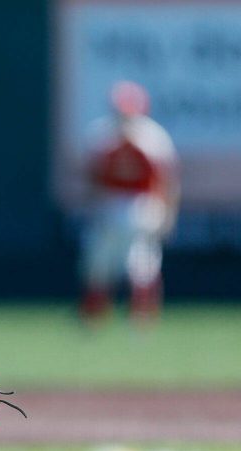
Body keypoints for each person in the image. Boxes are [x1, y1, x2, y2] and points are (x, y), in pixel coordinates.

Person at [78, 80, 180, 324]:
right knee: (98, 262)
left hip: (142, 205)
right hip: (110, 204)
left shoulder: (153, 138)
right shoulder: (101, 135)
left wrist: (168, 216)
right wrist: (93, 208)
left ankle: (142, 315)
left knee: (140, 262)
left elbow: (168, 182)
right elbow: (92, 179)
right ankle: (94, 313)